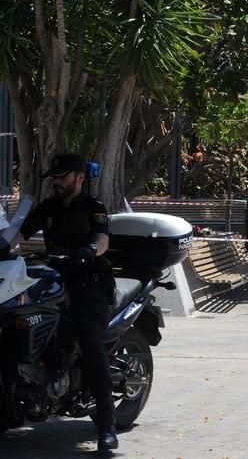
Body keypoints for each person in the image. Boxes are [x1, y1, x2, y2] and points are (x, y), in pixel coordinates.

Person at [19, 154, 118, 451]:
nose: (57, 182)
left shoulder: (93, 207)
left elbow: (103, 239)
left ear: (79, 178)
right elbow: (17, 234)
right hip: (54, 280)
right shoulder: (47, 207)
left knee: (90, 343)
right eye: (54, 177)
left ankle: (106, 425)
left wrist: (90, 248)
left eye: (63, 177)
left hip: (90, 283)